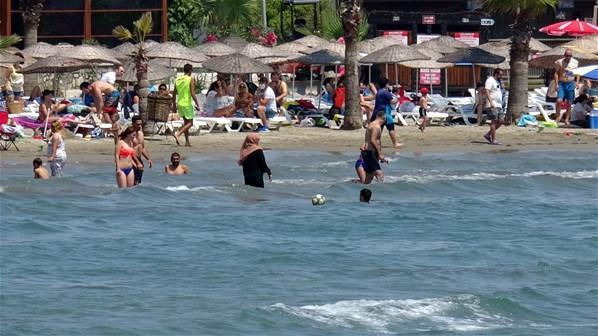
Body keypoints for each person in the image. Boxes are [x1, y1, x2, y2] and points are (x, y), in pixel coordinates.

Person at [172, 64, 201, 147]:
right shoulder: (190, 79)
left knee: (186, 123)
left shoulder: (178, 79)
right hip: (187, 103)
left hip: (180, 103)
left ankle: (187, 142)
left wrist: (174, 105)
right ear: (190, 71)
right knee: (190, 123)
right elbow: (192, 93)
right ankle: (178, 133)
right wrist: (197, 104)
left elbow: (174, 93)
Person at [370, 77, 400, 148]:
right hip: (385, 113)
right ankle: (395, 143)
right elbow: (392, 101)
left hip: (376, 112)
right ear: (386, 84)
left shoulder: (378, 92)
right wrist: (397, 99)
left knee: (379, 129)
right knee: (391, 128)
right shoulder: (386, 93)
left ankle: (377, 143)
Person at [362, 111, 388, 184]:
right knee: (380, 174)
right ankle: (382, 192)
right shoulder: (376, 126)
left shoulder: (372, 124)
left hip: (369, 152)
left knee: (369, 177)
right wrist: (379, 154)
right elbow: (373, 140)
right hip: (370, 153)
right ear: (384, 118)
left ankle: (364, 190)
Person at [554, 49, 579, 125]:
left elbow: (577, 73)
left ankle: (567, 119)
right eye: (567, 56)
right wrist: (556, 84)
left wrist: (577, 83)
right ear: (564, 55)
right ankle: (557, 117)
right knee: (559, 101)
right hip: (562, 83)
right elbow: (556, 73)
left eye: (570, 56)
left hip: (570, 83)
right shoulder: (559, 62)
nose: (569, 57)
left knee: (569, 102)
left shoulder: (575, 62)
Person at [483, 68, 505, 145]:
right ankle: (493, 139)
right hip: (493, 104)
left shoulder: (498, 82)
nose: (501, 76)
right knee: (494, 121)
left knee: (501, 121)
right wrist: (491, 102)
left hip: (499, 104)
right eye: (500, 75)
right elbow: (487, 91)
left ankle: (488, 134)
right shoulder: (490, 80)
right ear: (496, 74)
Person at [131, 115, 152, 185]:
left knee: (138, 182)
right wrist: (137, 162)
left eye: (140, 124)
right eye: (138, 124)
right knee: (133, 182)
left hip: (139, 159)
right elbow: (129, 150)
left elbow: (142, 147)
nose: (139, 126)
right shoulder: (129, 134)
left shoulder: (141, 133)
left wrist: (148, 159)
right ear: (133, 123)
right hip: (131, 160)